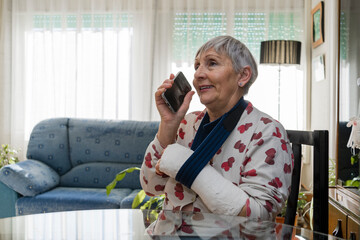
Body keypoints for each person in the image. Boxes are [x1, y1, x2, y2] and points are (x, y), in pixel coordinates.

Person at [140, 35, 293, 221]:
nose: (198, 74)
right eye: (197, 66)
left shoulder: (267, 132)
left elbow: (260, 215)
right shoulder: (187, 123)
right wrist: (168, 124)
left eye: (212, 63)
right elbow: (150, 186)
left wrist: (188, 168)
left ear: (243, 76)